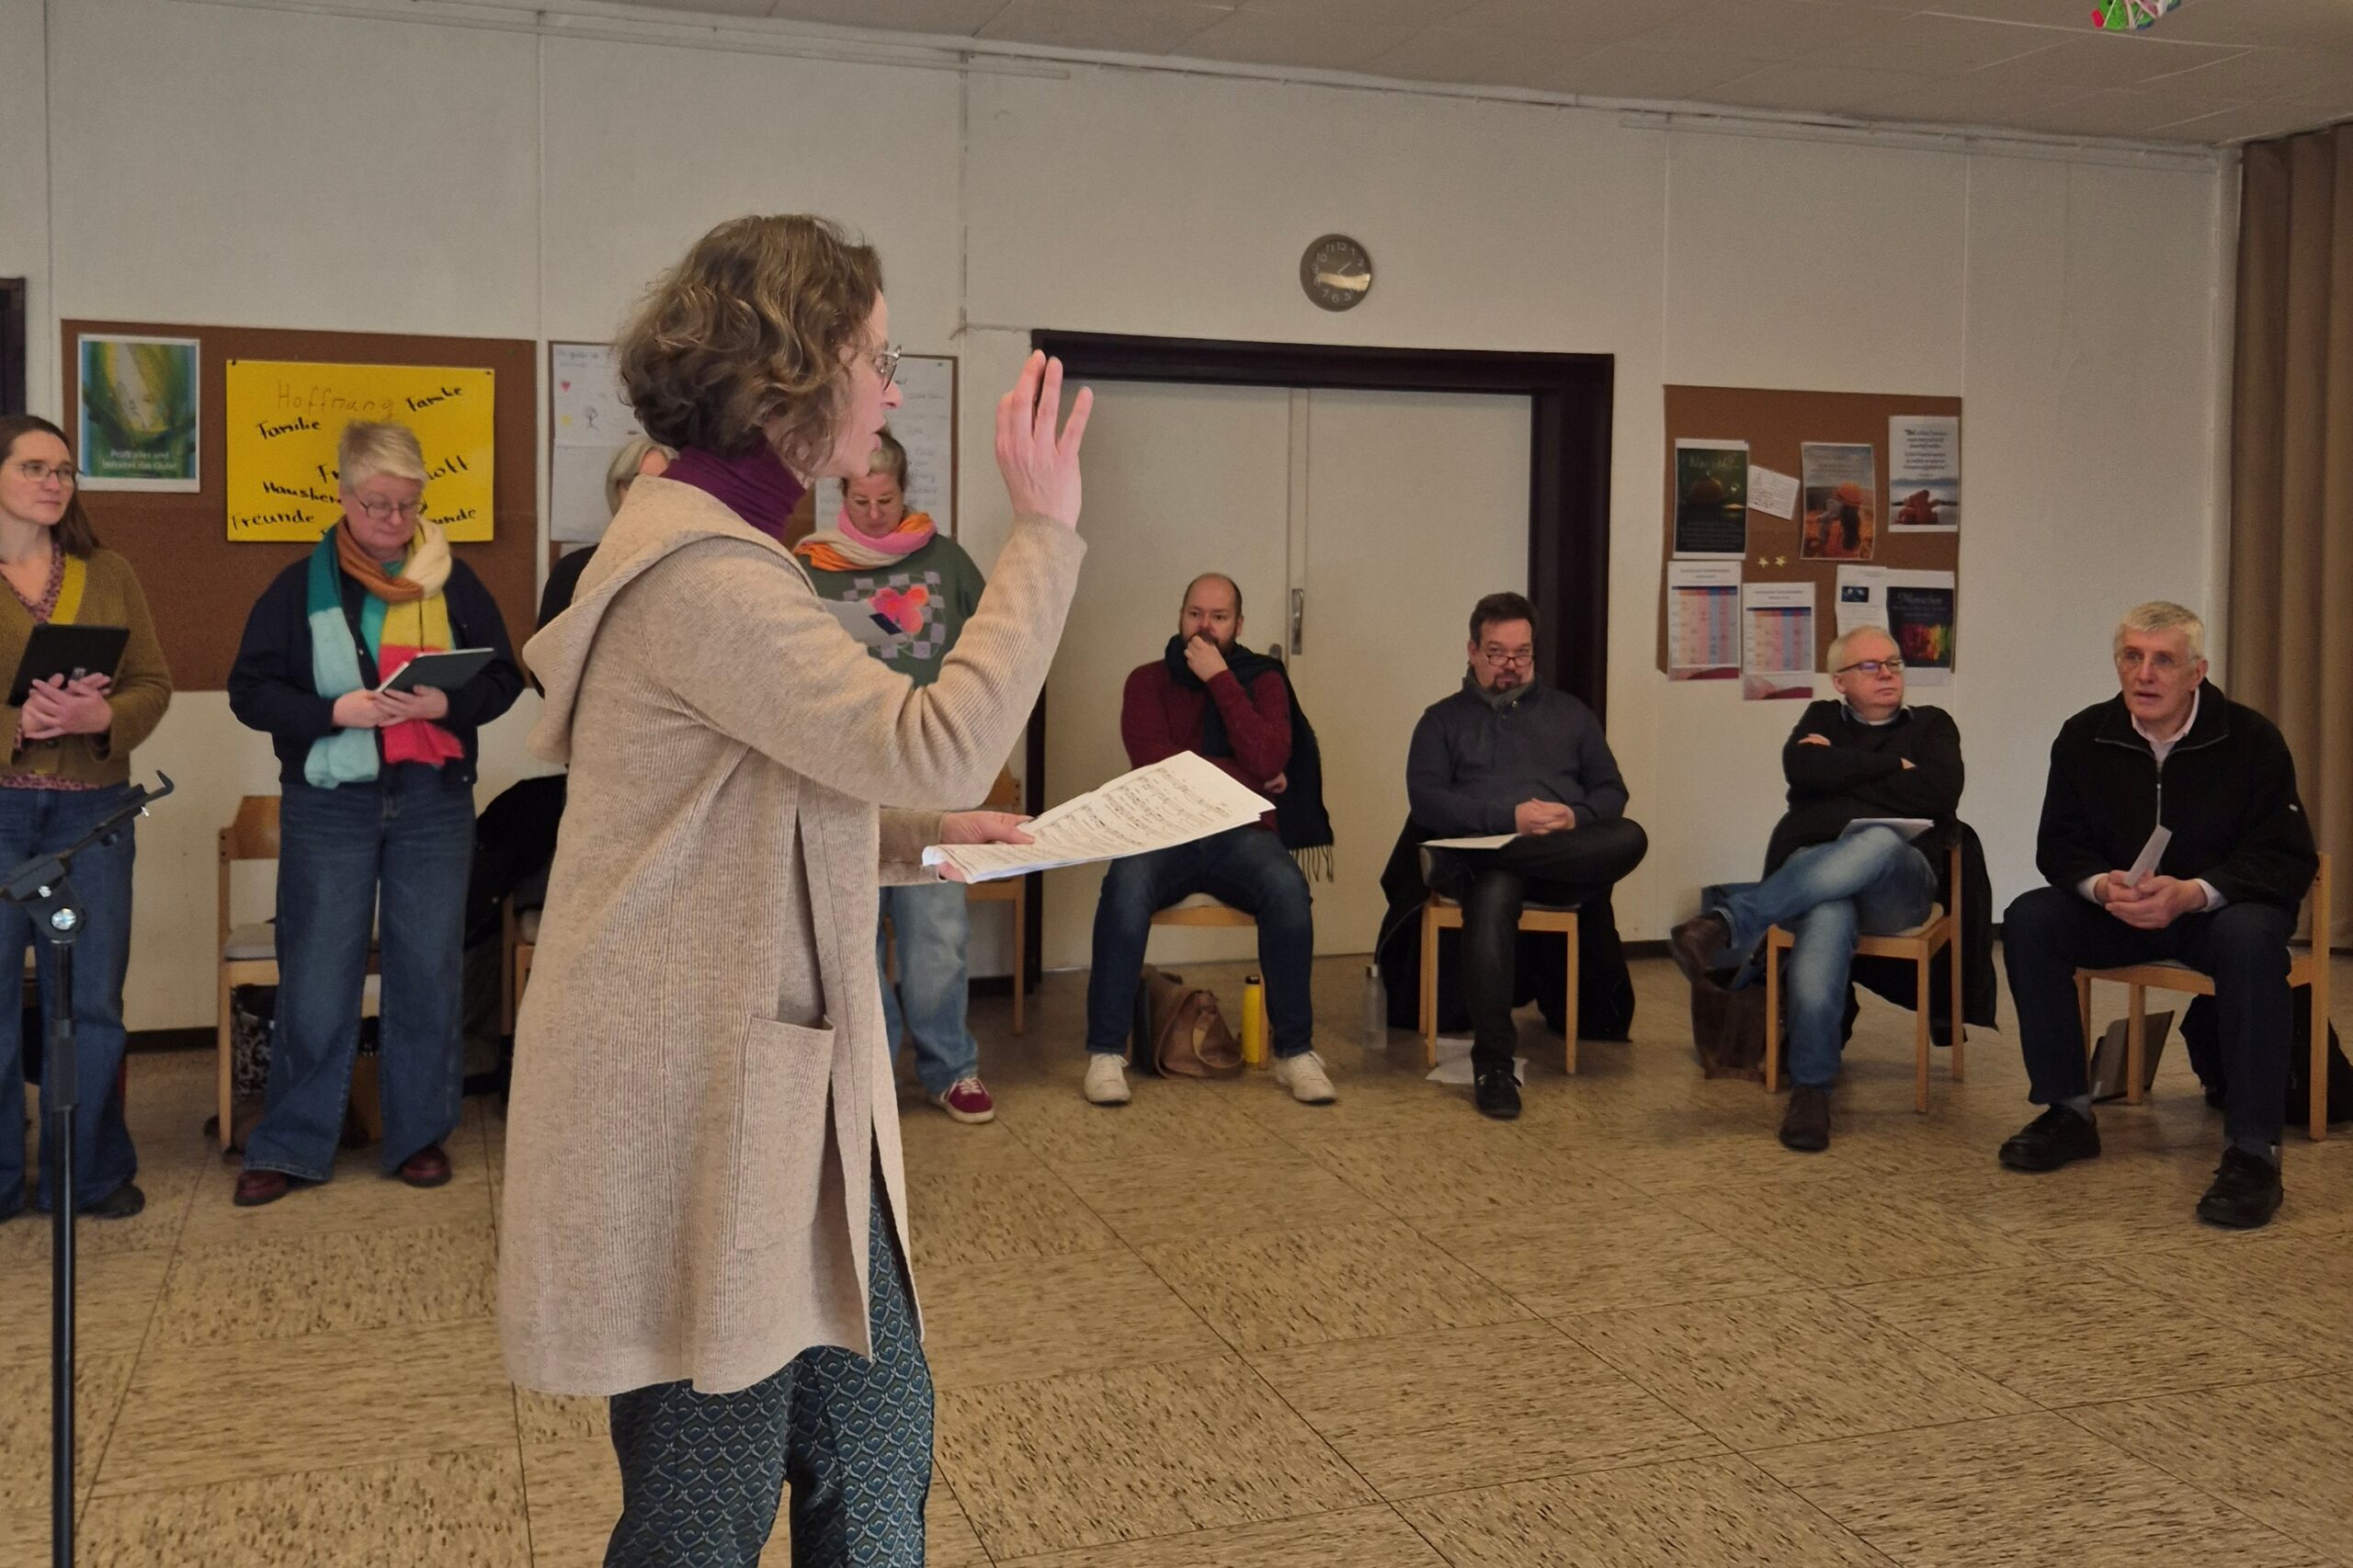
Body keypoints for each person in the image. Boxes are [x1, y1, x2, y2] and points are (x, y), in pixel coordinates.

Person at [496, 213, 1091, 1566]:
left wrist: (924, 833)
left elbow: (761, 790)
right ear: (794, 367)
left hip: (790, 1089)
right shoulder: (702, 570)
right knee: (707, 1506)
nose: (891, 389)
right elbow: (929, 728)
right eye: (875, 356)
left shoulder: (726, 547)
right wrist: (1045, 533)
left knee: (878, 1463)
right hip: (698, 1094)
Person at [226, 420, 523, 1207]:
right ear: (343, 495)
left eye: (408, 505)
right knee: (318, 974)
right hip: (331, 804)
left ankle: (419, 1135)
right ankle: (291, 1143)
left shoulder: (454, 582)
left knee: (426, 971)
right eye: (377, 505)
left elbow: (503, 680)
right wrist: (336, 711)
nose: (395, 522)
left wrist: (446, 701)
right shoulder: (297, 588)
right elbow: (250, 692)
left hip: (433, 802)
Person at [1995, 602, 2316, 1230]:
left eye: (2163, 660)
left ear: (2196, 672)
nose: (2144, 673)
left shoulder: (2251, 739)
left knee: (2254, 945)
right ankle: (2068, 1111)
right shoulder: (2085, 735)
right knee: (2029, 921)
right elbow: (2059, 845)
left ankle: (2253, 1152)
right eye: (2132, 657)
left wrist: (2196, 891)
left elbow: (2283, 854)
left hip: (2219, 910)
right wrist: (2100, 887)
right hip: (2123, 907)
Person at [1667, 626, 1961, 1151]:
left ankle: (1728, 922)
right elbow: (1802, 768)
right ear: (1840, 681)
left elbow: (1939, 789)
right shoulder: (1820, 718)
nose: (1888, 674)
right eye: (1871, 666)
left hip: (1901, 884)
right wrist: (1894, 767)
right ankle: (1811, 1091)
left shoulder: (1934, 725)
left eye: (1894, 663)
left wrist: (1842, 773)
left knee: (1876, 842)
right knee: (1827, 914)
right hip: (1821, 880)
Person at [459, 436, 673, 1087]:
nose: (652, 500)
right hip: (602, 783)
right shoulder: (576, 573)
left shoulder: (704, 573)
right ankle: (558, 1071)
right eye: (638, 486)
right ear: (616, 495)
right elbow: (551, 676)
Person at [794, 430, 995, 1123]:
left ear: (905, 492)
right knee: (849, 933)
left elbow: (996, 655)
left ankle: (951, 1067)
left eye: (886, 499)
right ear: (839, 494)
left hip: (928, 767)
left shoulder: (946, 562)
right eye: (860, 499)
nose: (874, 512)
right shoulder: (810, 566)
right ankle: (871, 1065)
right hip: (843, 770)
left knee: (936, 931)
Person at [0, 415, 171, 1223]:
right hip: (0, 815)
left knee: (92, 1003)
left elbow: (152, 684)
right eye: (34, 465)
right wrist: (19, 729)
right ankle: (3, 1179)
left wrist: (100, 717)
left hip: (95, 820)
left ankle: (91, 1174)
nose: (54, 481)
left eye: (65, 469)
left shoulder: (110, 572)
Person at [1080, 572, 1335, 1109]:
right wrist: (1247, 773)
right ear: (1180, 616)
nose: (1206, 626)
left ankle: (1295, 1054)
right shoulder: (1146, 681)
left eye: (1219, 617)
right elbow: (1156, 767)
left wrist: (1221, 680)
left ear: (1238, 625)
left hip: (1240, 831)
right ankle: (1105, 1053)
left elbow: (1270, 758)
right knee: (1124, 885)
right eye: (1196, 614)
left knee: (1288, 890)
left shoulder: (1262, 680)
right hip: (1164, 828)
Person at [1406, 592, 1647, 1119]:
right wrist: (1507, 821)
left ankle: (1501, 859)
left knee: (1630, 835)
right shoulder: (1441, 721)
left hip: (1559, 862)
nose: (1510, 666)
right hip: (1486, 857)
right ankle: (1493, 1067)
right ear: (1471, 651)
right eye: (1496, 653)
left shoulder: (1570, 714)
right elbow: (1426, 801)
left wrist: (1574, 816)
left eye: (1522, 654)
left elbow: (1611, 792)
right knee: (1493, 891)